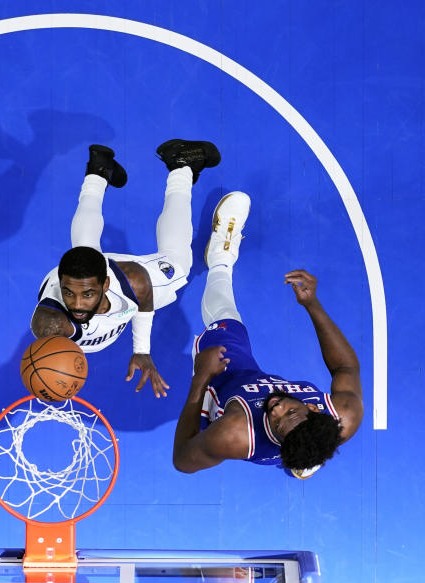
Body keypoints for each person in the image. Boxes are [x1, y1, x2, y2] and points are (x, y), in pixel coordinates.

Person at [172, 192, 363, 477]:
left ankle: (220, 259)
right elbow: (345, 367)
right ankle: (304, 457)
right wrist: (313, 305)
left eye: (277, 423)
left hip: (226, 385)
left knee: (226, 320)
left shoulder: (234, 434)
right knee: (309, 447)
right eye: (290, 413)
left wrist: (201, 379)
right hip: (277, 408)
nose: (275, 411)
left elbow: (183, 460)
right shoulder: (343, 417)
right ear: (314, 408)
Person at [31, 139, 220, 397]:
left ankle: (181, 165)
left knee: (179, 263)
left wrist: (141, 349)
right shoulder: (52, 324)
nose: (75, 305)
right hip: (76, 274)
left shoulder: (134, 282)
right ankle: (99, 171)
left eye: (87, 295)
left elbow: (144, 302)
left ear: (105, 285)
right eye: (69, 294)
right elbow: (42, 359)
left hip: (120, 277)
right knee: (84, 247)